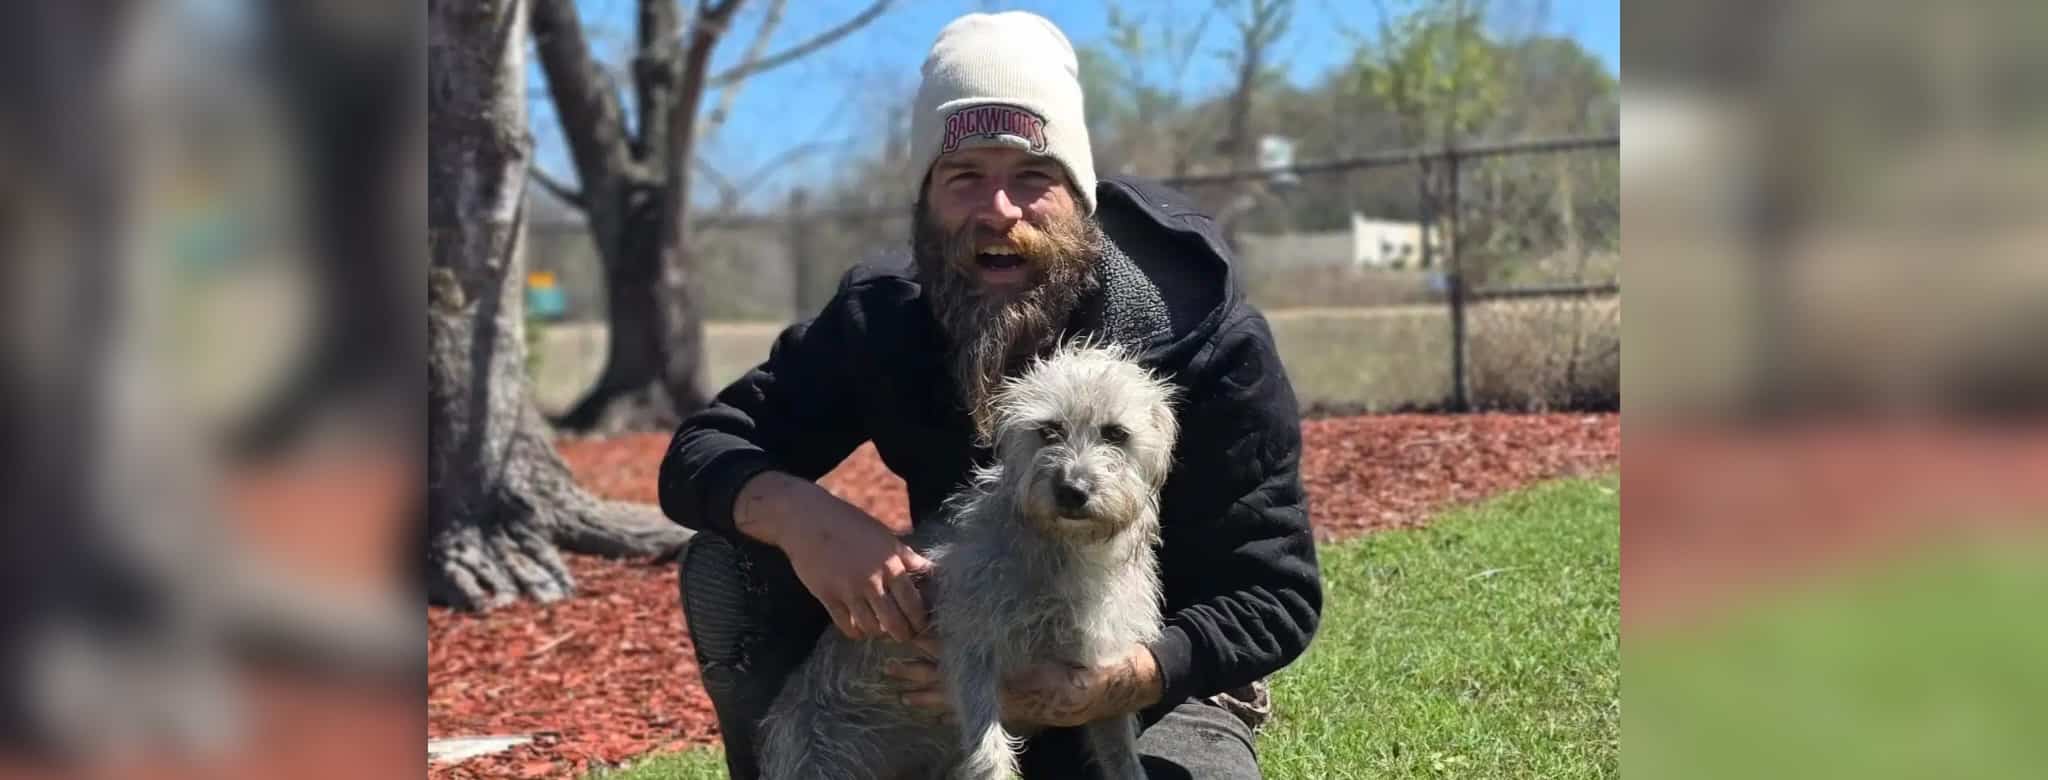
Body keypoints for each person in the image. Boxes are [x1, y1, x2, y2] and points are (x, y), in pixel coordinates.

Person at [660, 11, 1320, 778]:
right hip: (966, 654)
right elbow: (702, 449)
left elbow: (1276, 595)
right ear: (924, 199)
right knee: (731, 562)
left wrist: (1118, 682)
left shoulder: (1204, 334)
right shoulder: (885, 315)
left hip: (1155, 682)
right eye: (964, 176)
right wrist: (806, 517)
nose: (998, 212)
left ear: (1081, 196)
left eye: (1032, 177)